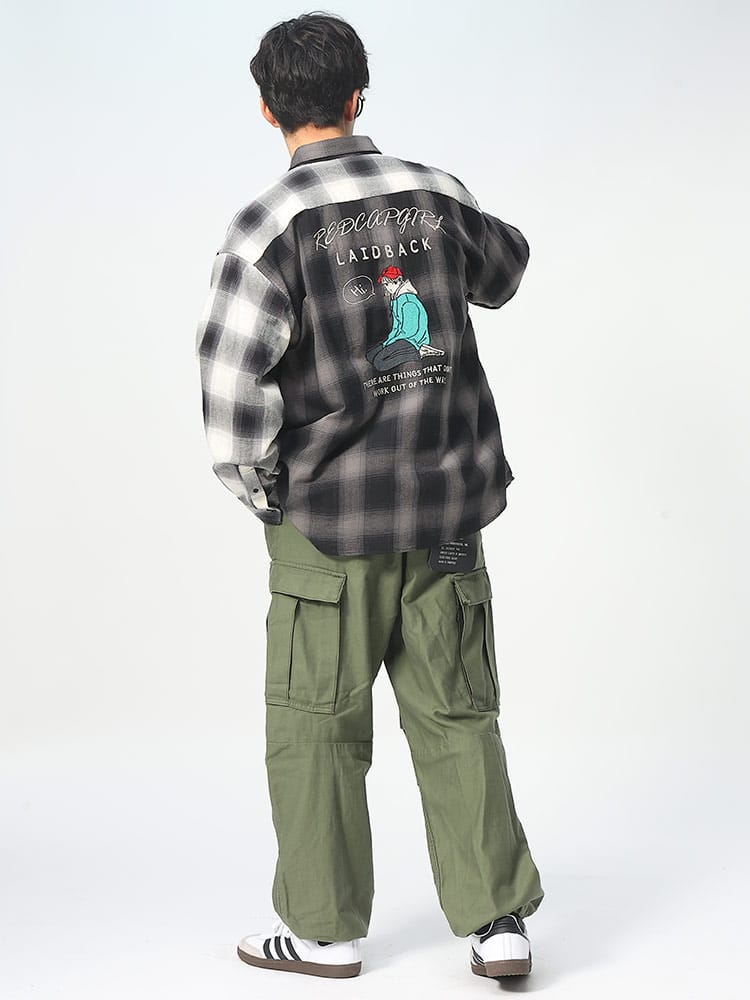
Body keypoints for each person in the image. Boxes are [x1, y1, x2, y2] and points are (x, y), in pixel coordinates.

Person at [194, 10, 544, 982]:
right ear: (359, 96)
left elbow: (231, 398)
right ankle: (499, 926)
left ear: (267, 109)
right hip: (447, 517)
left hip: (327, 527)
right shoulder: (435, 193)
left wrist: (268, 493)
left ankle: (325, 931)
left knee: (316, 720)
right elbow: (507, 270)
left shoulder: (263, 231)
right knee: (458, 710)